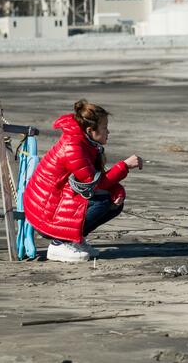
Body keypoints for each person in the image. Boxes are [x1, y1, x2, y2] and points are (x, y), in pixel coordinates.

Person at [24, 100, 143, 262]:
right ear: (90, 130)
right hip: (44, 213)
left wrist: (117, 191)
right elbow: (94, 184)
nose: (108, 132)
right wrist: (125, 166)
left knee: (114, 202)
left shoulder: (85, 143)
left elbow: (95, 180)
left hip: (57, 203)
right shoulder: (74, 147)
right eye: (104, 128)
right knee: (102, 201)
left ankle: (74, 240)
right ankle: (59, 243)